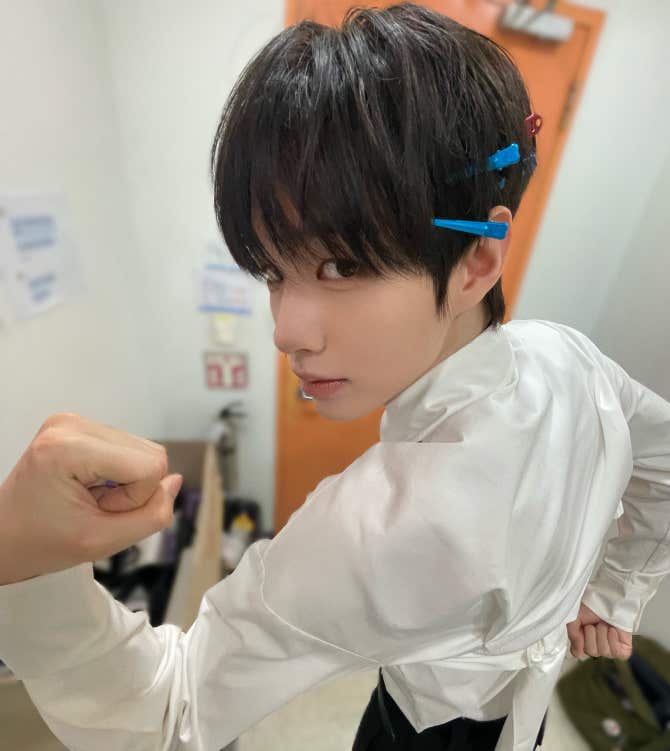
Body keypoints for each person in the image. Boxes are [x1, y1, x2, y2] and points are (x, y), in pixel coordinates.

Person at [0, 4, 667, 750]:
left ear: (477, 259)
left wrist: (24, 563)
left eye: (342, 264)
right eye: (272, 271)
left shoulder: (381, 526)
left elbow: (168, 710)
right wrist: (614, 591)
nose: (285, 330)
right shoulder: (570, 356)